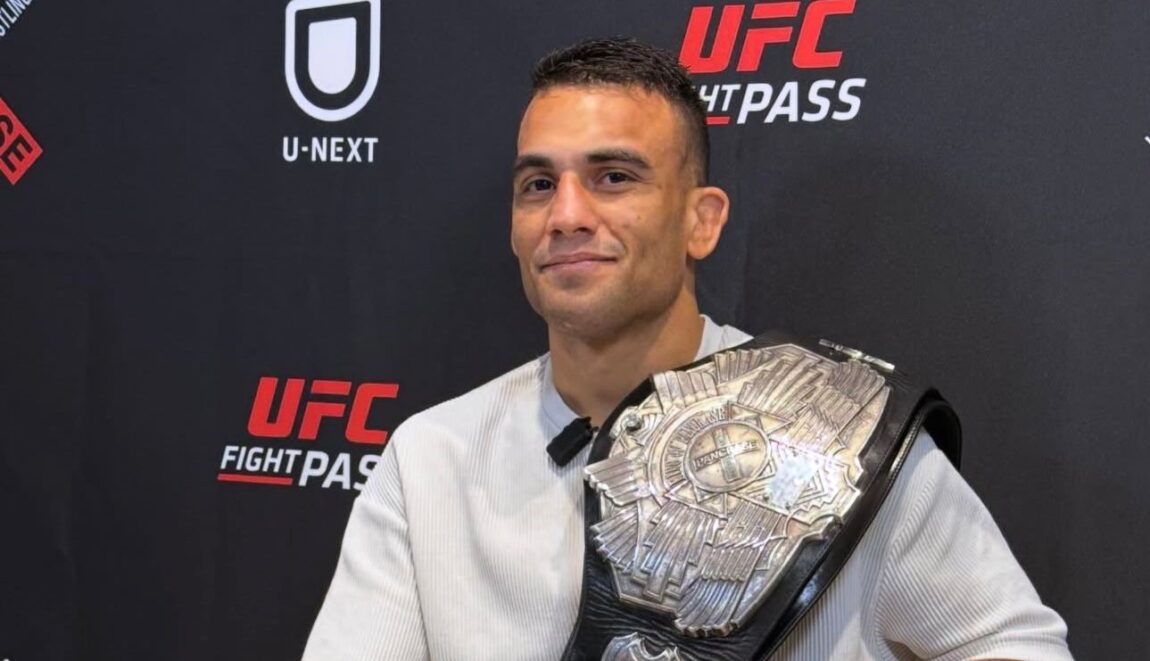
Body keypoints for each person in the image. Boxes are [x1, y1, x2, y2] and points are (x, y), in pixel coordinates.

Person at [302, 38, 1071, 660]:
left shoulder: (839, 432)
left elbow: (1016, 645)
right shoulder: (429, 457)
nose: (566, 215)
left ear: (702, 220)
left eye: (613, 177)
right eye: (538, 185)